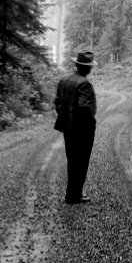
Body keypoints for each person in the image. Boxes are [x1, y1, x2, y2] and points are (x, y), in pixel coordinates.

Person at [53, 49, 98, 204]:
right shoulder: (84, 83)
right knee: (81, 161)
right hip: (81, 129)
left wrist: (65, 116)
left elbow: (57, 103)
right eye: (90, 66)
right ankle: (75, 195)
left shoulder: (63, 80)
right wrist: (90, 123)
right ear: (87, 67)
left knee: (72, 160)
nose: (91, 68)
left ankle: (71, 195)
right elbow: (84, 107)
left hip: (67, 127)